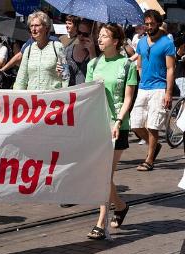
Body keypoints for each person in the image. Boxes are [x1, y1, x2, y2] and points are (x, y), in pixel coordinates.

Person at [85, 23, 137, 240]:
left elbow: (128, 98)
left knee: (104, 175)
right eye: (100, 35)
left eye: (105, 36)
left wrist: (117, 121)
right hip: (97, 125)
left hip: (117, 126)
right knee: (102, 175)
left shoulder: (127, 65)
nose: (100, 39)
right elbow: (86, 95)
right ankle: (121, 206)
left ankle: (101, 222)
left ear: (116, 41)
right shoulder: (93, 64)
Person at [130, 9, 176, 172]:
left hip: (159, 88)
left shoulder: (166, 43)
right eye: (146, 24)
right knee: (135, 124)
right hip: (143, 87)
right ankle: (154, 146)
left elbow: (171, 68)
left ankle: (149, 160)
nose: (149, 27)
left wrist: (168, 92)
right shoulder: (142, 42)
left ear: (158, 23)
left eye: (151, 24)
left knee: (152, 126)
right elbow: (140, 63)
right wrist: (141, 76)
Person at [13, 11, 67, 91]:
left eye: (37, 25)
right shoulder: (28, 50)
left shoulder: (57, 47)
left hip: (52, 100)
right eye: (31, 26)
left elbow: (65, 76)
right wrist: (16, 97)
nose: (33, 29)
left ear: (46, 27)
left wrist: (65, 97)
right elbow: (21, 79)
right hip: (32, 100)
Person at [64, 18, 96, 87]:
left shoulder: (97, 53)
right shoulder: (68, 50)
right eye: (79, 32)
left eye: (85, 34)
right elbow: (62, 74)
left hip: (85, 94)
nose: (81, 36)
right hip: (69, 94)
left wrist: (92, 52)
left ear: (92, 34)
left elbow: (95, 75)